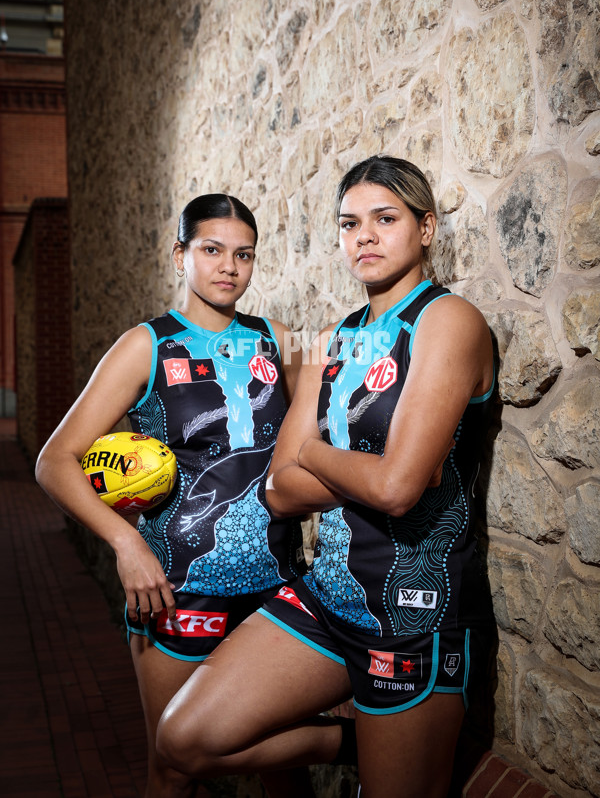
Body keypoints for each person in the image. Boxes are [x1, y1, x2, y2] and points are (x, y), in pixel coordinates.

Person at [156, 156, 496, 798]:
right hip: (325, 597)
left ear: (425, 229)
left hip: (410, 615)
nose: (363, 236)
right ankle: (356, 745)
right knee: (182, 738)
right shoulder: (330, 341)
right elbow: (278, 490)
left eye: (385, 218)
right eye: (349, 223)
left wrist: (315, 456)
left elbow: (397, 490)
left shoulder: (449, 322)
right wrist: (363, 470)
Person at [35, 193, 310, 798]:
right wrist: (124, 542)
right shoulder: (146, 345)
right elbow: (55, 461)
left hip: (277, 588)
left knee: (284, 773)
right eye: (211, 250)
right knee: (174, 766)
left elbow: (343, 377)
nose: (228, 268)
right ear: (180, 254)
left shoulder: (279, 340)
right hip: (175, 589)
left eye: (244, 255)